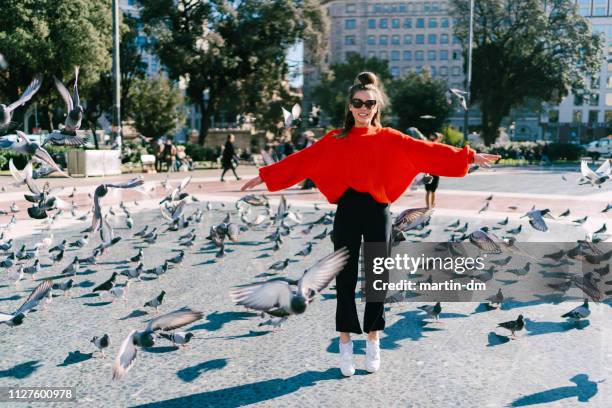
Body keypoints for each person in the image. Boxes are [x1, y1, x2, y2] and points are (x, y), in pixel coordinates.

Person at [240, 72, 499, 377]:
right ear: (349, 106)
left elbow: (428, 152)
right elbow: (302, 161)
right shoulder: (334, 139)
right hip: (347, 213)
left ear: (377, 106)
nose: (363, 107)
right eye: (357, 102)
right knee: (345, 281)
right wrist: (266, 175)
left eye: (370, 103)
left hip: (378, 212)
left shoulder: (390, 138)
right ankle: (346, 344)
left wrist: (469, 156)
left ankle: (373, 340)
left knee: (377, 280)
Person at [424, 132, 444, 209]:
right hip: (432, 172)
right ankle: (430, 205)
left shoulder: (429, 146)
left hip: (428, 172)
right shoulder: (437, 147)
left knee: (429, 191)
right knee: (431, 191)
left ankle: (429, 206)